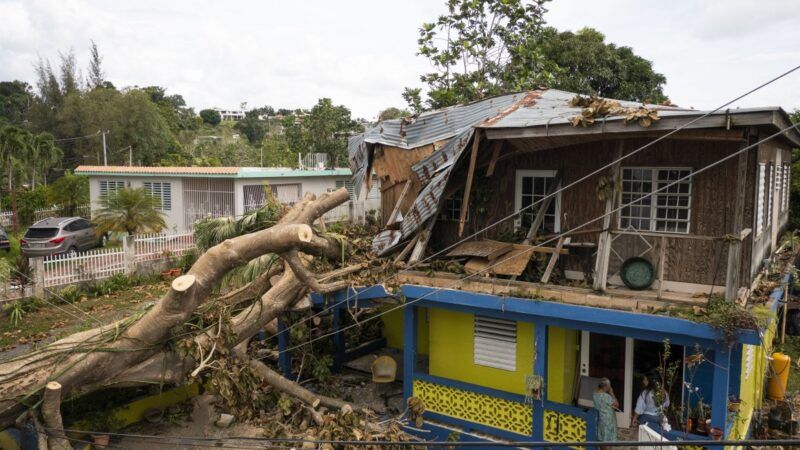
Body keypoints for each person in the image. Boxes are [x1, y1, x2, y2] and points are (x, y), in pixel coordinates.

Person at [593, 377, 619, 449]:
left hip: (600, 419)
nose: (610, 387)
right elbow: (617, 404)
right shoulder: (606, 396)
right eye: (609, 385)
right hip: (608, 421)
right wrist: (611, 393)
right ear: (605, 386)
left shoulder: (595, 393)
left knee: (602, 438)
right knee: (608, 440)